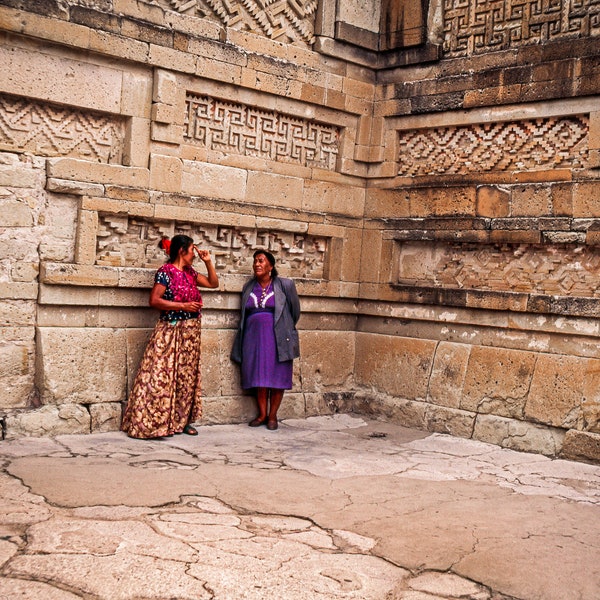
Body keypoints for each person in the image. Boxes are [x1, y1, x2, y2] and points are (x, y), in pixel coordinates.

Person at [121, 234, 219, 439]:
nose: (194, 253)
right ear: (182, 251)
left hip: (190, 334)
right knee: (160, 375)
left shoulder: (191, 273)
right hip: (170, 330)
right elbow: (154, 300)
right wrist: (182, 305)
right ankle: (154, 422)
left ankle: (181, 422)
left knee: (185, 378)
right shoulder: (165, 272)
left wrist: (208, 261)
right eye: (192, 250)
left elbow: (213, 283)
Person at [231, 249, 301, 430]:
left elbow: (295, 312)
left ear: (270, 266)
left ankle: (273, 416)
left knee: (277, 376)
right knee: (259, 375)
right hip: (253, 338)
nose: (257, 264)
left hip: (277, 338)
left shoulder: (285, 285)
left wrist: (282, 327)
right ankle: (262, 414)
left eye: (261, 261)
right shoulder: (248, 287)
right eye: (255, 261)